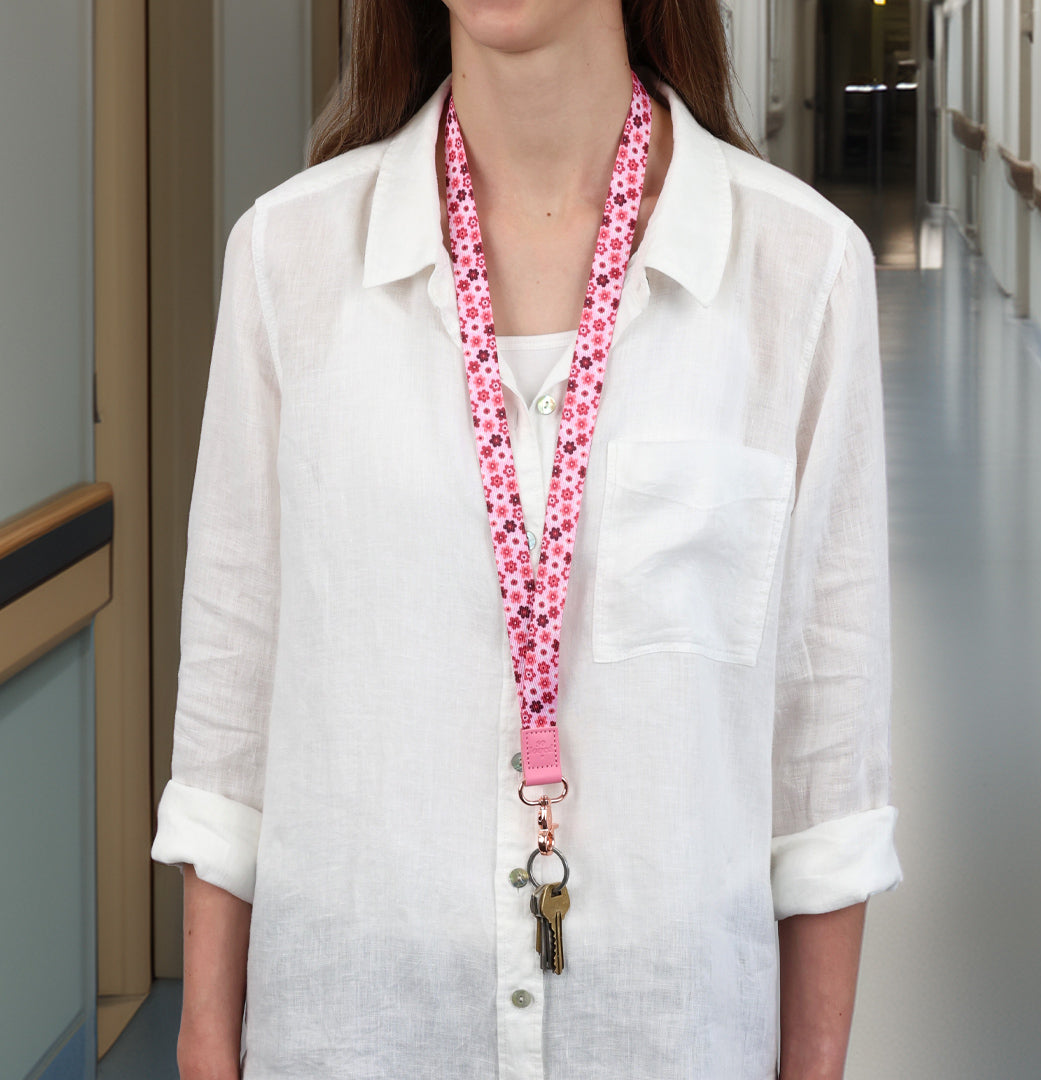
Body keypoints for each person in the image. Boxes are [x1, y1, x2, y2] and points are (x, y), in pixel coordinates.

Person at [151, 0, 903, 1077]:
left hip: (663, 1032)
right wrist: (204, 1040)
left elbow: (825, 744)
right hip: (356, 1027)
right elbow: (231, 691)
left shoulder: (797, 273)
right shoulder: (289, 260)